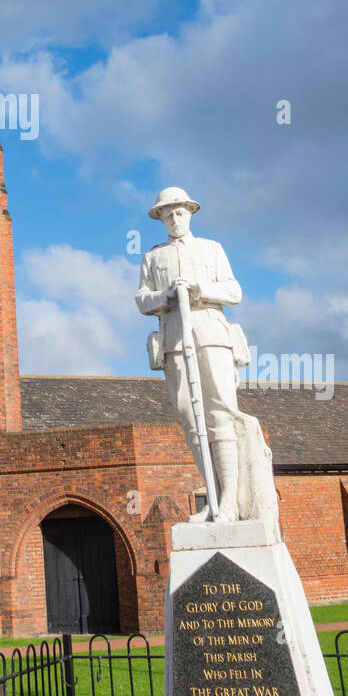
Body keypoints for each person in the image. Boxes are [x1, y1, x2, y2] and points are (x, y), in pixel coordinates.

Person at [136, 187, 247, 522]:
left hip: (211, 335)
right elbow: (141, 300)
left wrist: (202, 290)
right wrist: (166, 295)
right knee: (189, 416)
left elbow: (234, 290)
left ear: (190, 213)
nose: (174, 219)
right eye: (167, 214)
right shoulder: (153, 257)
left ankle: (229, 501)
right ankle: (212, 500)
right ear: (161, 218)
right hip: (174, 338)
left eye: (179, 212)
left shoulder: (211, 249)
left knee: (219, 413)